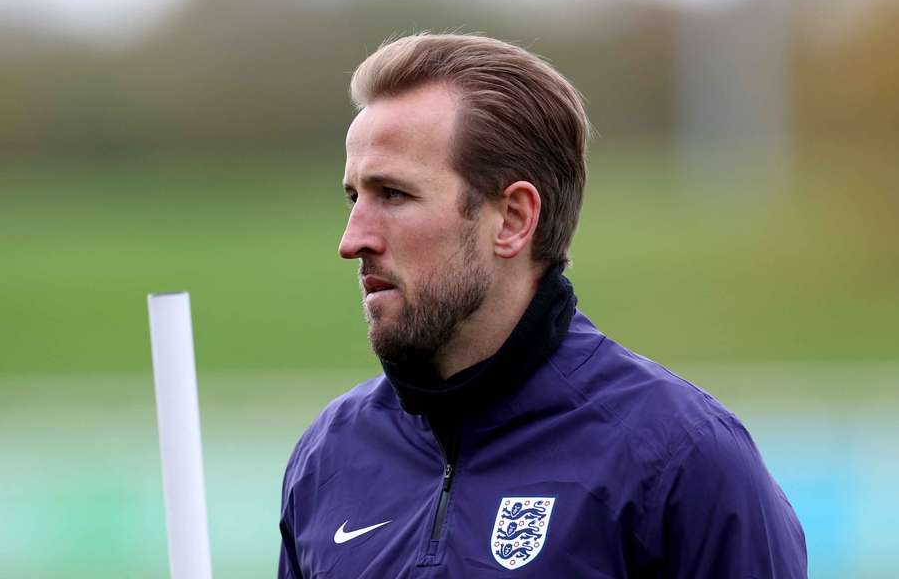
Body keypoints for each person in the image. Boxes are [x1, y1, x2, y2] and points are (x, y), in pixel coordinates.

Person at [278, 33, 806, 578]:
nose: (353, 238)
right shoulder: (328, 458)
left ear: (512, 219)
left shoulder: (681, 460)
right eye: (354, 196)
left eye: (393, 194)